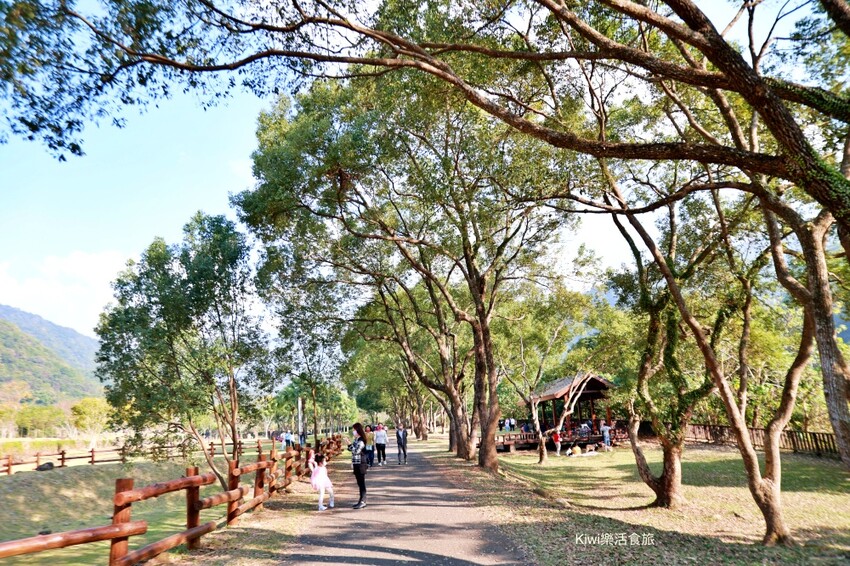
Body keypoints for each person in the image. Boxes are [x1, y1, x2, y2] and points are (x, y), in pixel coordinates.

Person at [348, 423, 368, 509]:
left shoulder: (361, 440)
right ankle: (361, 500)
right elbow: (350, 449)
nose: (353, 431)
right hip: (356, 463)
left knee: (361, 483)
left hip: (361, 464)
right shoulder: (356, 439)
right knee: (359, 483)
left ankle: (363, 501)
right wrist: (349, 444)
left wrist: (349, 444)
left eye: (354, 430)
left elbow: (356, 451)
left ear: (358, 430)